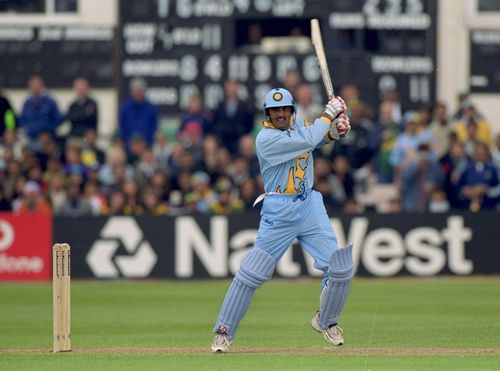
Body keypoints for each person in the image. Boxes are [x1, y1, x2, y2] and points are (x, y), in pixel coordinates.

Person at [211, 88, 353, 353]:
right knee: (252, 273)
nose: (280, 114)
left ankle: (326, 321)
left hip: (309, 203)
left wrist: (334, 132)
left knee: (341, 267)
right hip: (279, 207)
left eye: (285, 110)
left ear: (291, 111)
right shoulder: (265, 139)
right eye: (275, 111)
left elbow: (315, 139)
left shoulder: (298, 125)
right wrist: (329, 115)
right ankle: (223, 330)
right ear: (268, 114)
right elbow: (309, 139)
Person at [118, 77, 158, 149]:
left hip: (146, 148)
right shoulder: (125, 107)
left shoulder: (151, 108)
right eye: (135, 91)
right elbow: (122, 128)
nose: (137, 94)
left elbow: (154, 129)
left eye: (140, 91)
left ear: (144, 91)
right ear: (131, 91)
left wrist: (146, 144)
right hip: (128, 148)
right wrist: (129, 144)